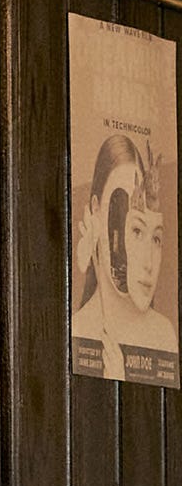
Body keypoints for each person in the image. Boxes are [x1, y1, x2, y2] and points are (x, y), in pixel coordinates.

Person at [73, 132, 179, 380]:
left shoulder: (164, 335)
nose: (147, 263)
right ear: (96, 209)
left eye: (155, 238)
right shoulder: (79, 328)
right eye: (135, 230)